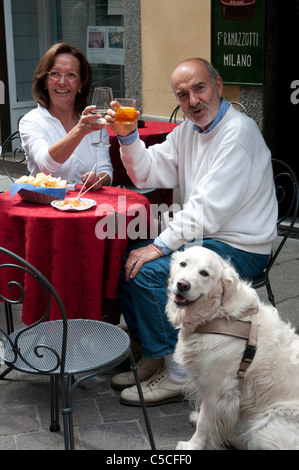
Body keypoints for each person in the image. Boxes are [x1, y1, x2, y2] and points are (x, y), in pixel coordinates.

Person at [105, 58, 278, 406]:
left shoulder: (238, 132)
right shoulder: (189, 130)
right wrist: (128, 138)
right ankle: (154, 355)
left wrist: (157, 246)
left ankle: (178, 372)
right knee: (125, 260)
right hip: (209, 238)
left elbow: (205, 210)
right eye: (183, 95)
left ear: (218, 84)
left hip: (243, 245)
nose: (193, 101)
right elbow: (148, 173)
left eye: (199, 88)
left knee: (152, 271)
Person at [19, 42, 113, 189]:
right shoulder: (31, 121)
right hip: (46, 207)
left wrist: (98, 180)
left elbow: (105, 170)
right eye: (55, 74)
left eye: (71, 75)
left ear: (81, 83)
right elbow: (45, 165)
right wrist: (80, 130)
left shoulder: (94, 121)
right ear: (45, 80)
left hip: (88, 205)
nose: (62, 82)